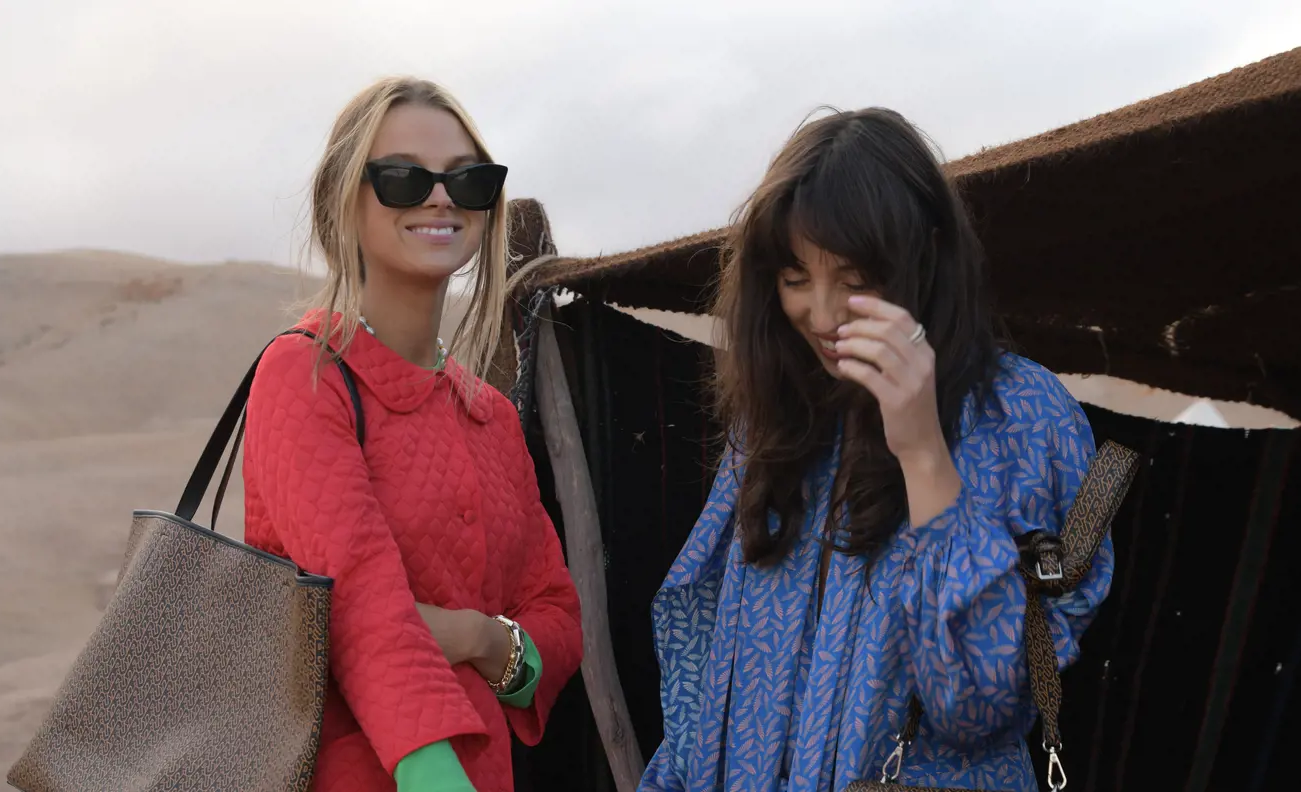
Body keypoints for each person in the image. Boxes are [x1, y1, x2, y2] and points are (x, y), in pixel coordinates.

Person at [639, 108, 1113, 791]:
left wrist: (921, 449)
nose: (824, 316)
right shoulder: (773, 416)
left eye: (855, 279)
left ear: (923, 253)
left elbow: (978, 707)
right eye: (795, 278)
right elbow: (703, 660)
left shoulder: (1022, 416)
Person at [242, 77, 583, 792]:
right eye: (403, 178)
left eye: (468, 179)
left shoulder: (488, 415)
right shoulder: (305, 375)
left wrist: (479, 638)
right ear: (343, 198)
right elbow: (357, 604)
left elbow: (556, 617)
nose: (440, 198)